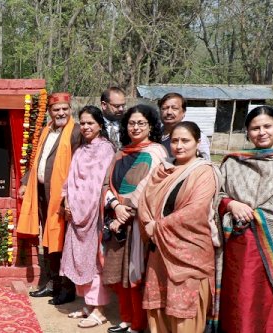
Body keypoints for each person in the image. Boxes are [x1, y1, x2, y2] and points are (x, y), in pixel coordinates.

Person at [138, 121, 220, 332]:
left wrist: (156, 227)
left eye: (185, 140)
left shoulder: (204, 172)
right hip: (159, 251)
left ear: (198, 143)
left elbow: (195, 211)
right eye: (175, 140)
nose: (179, 146)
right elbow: (145, 202)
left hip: (190, 254)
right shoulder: (162, 169)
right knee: (159, 309)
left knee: (185, 312)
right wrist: (148, 224)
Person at [217, 106, 273, 332]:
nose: (262, 132)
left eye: (267, 126)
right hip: (241, 245)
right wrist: (232, 204)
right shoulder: (233, 162)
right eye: (255, 128)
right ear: (247, 132)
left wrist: (259, 215)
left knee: (272, 305)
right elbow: (216, 194)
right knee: (242, 298)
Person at [101, 104, 168, 333]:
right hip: (115, 218)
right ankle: (126, 318)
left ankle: (138, 324)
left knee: (135, 274)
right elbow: (106, 183)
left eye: (141, 123)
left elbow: (147, 187)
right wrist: (114, 205)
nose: (135, 127)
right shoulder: (121, 153)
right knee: (118, 275)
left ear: (150, 126)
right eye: (131, 123)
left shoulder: (156, 152)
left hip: (138, 223)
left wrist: (125, 212)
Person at [18, 92, 82, 305]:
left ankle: (67, 287)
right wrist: (27, 181)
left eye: (65, 109)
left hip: (64, 198)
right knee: (48, 240)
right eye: (56, 110)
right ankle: (52, 283)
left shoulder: (76, 132)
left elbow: (79, 167)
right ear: (50, 112)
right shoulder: (46, 130)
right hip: (44, 195)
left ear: (70, 109)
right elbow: (38, 160)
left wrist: (70, 196)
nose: (61, 113)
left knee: (63, 241)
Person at [59, 106, 116, 328]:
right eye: (82, 123)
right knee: (78, 259)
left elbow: (99, 185)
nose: (85, 127)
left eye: (90, 123)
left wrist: (84, 208)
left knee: (95, 261)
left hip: (94, 215)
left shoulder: (106, 150)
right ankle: (88, 305)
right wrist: (67, 201)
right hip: (75, 214)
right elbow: (70, 180)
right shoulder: (80, 150)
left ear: (100, 125)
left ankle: (99, 310)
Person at [158, 92, 211, 159]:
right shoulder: (154, 135)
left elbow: (206, 163)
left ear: (183, 112)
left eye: (174, 108)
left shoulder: (195, 135)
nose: (169, 112)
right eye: (165, 108)